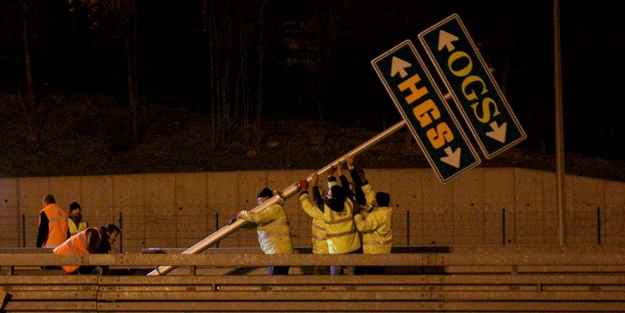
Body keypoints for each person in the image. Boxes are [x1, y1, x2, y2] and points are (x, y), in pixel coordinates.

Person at [298, 168, 361, 276]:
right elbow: (342, 190)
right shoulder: (348, 204)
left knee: (328, 279)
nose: (327, 194)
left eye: (328, 193)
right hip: (351, 248)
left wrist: (306, 189)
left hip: (328, 251)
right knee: (349, 279)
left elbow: (310, 204)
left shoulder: (326, 210)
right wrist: (331, 176)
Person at [235, 188, 294, 275]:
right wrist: (239, 224)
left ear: (268, 198)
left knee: (277, 282)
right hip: (274, 252)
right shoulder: (267, 212)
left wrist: (242, 213)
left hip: (280, 253)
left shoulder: (275, 208)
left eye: (260, 201)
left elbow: (260, 218)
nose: (259, 204)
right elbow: (255, 223)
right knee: (274, 281)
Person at [53, 224, 121, 275]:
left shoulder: (101, 241)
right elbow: (91, 248)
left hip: (74, 260)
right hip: (65, 256)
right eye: (115, 235)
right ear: (108, 233)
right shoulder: (94, 232)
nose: (116, 239)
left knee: (97, 271)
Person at [353, 191, 393, 274]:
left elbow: (362, 226)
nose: (373, 200)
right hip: (382, 251)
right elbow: (370, 218)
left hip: (374, 253)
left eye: (374, 199)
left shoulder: (378, 215)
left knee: (372, 277)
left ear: (378, 202)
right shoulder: (385, 212)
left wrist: (357, 213)